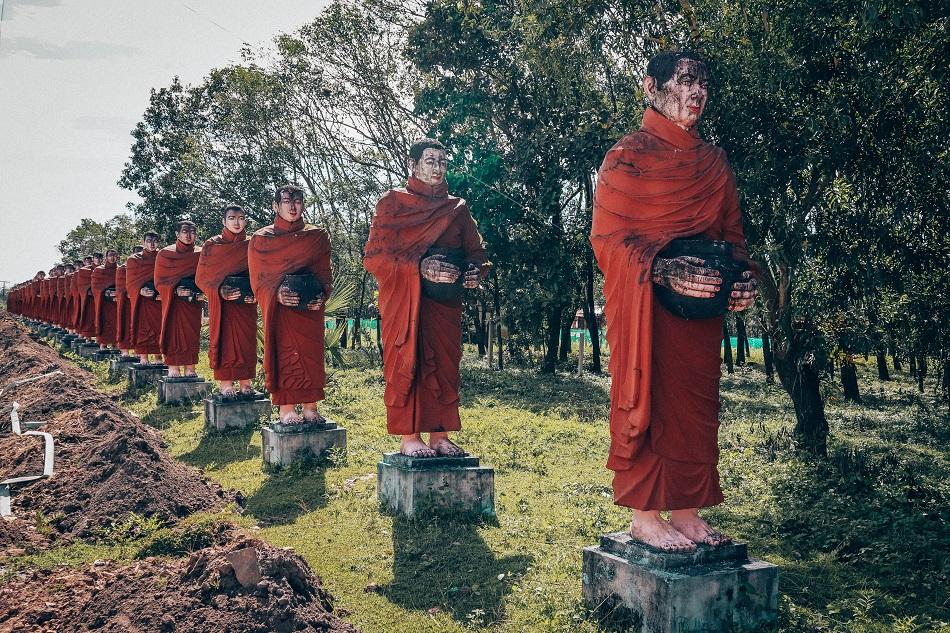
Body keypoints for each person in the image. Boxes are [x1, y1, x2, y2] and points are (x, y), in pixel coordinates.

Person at [591, 51, 757, 552]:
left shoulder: (714, 164)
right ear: (652, 88)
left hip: (699, 314)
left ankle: (686, 510)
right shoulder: (626, 157)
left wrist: (742, 279)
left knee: (695, 410)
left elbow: (732, 238)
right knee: (649, 399)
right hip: (646, 309)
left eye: (703, 81)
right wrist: (661, 268)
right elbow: (608, 240)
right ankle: (645, 516)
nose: (697, 92)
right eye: (686, 80)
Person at [364, 138, 489, 458]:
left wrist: (475, 271)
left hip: (443, 304)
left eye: (443, 162)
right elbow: (375, 257)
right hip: (404, 303)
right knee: (407, 364)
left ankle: (440, 436)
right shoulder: (392, 203)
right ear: (413, 164)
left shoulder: (457, 209)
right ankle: (409, 437)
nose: (438, 167)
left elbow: (476, 253)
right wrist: (419, 266)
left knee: (444, 368)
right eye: (430, 160)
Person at [248, 184, 332, 424]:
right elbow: (258, 280)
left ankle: (310, 407)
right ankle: (286, 408)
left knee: (311, 356)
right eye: (287, 201)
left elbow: (325, 273)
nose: (293, 206)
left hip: (309, 310)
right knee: (285, 355)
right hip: (281, 311)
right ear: (276, 206)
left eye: (297, 201)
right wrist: (276, 294)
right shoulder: (261, 239)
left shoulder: (316, 236)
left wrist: (322, 294)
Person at [196, 203, 258, 397]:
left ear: (245, 220)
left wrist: (256, 292)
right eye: (232, 218)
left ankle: (246, 382)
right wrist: (219, 290)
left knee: (246, 341)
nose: (237, 223)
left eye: (240, 218)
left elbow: (262, 274)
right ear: (224, 221)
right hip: (222, 304)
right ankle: (225, 383)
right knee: (224, 341)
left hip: (246, 303)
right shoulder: (212, 245)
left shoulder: (253, 244)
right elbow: (201, 277)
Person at [155, 221, 204, 378]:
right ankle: (173, 366)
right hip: (173, 303)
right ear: (177, 234)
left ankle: (190, 368)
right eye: (184, 231)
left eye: (192, 231)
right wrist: (175, 290)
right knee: (173, 332)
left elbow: (206, 276)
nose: (188, 235)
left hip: (193, 302)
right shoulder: (165, 254)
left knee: (192, 333)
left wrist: (200, 292)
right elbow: (159, 281)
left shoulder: (201, 253)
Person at [126, 232, 164, 365]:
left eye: (155, 241)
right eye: (148, 241)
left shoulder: (163, 257)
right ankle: (143, 357)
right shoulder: (134, 260)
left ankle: (158, 357)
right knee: (143, 329)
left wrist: (165, 292)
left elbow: (168, 277)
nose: (152, 244)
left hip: (159, 299)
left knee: (160, 328)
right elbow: (130, 282)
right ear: (143, 242)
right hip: (143, 300)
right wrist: (140, 290)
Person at [114, 246, 142, 357]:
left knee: (139, 326)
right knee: (126, 324)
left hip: (141, 301)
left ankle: (137, 351)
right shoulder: (122, 268)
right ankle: (125, 350)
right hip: (127, 302)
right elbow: (120, 287)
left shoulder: (145, 267)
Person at [91, 248, 120, 350]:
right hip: (104, 302)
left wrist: (118, 293)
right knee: (104, 322)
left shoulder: (121, 270)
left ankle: (115, 345)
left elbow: (125, 285)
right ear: (106, 257)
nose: (112, 257)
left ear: (118, 257)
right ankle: (103, 344)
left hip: (117, 302)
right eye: (110, 255)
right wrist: (107, 292)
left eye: (114, 255)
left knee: (117, 323)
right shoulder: (99, 270)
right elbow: (95, 287)